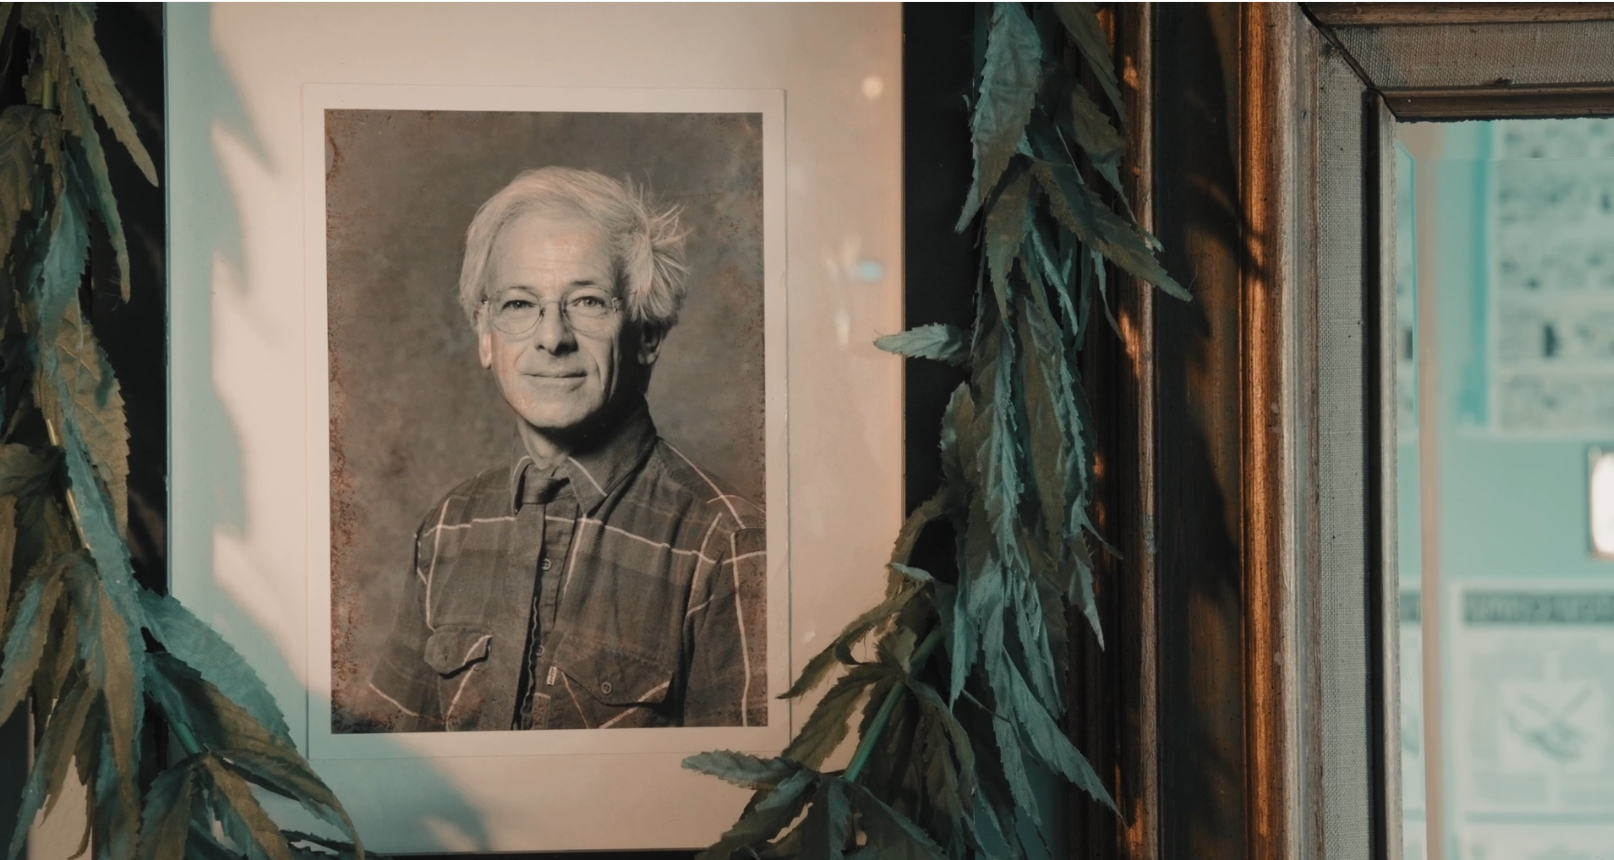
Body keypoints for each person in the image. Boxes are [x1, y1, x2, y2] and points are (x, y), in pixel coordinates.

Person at [365, 167, 766, 731]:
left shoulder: (728, 547)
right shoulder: (447, 529)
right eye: (519, 305)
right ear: (486, 335)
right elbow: (386, 771)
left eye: (588, 301)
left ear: (648, 332)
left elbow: (739, 807)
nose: (552, 337)